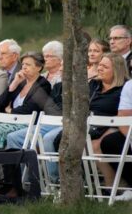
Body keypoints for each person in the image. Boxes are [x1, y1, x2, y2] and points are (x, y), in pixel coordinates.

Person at [45, 52, 126, 183]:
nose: (99, 68)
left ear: (117, 70)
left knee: (87, 145)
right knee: (61, 139)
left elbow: (123, 115)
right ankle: (73, 183)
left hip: (109, 126)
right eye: (99, 65)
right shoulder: (93, 85)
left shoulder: (123, 89)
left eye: (105, 67)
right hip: (87, 126)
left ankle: (104, 184)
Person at [0, 52, 56, 147]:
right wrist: (14, 83)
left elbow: (30, 109)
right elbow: (0, 104)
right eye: (23, 64)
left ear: (38, 67)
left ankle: (2, 159)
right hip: (11, 121)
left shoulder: (43, 84)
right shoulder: (19, 82)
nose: (24, 67)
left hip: (28, 123)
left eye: (28, 64)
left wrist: (10, 111)